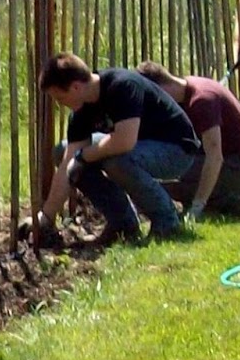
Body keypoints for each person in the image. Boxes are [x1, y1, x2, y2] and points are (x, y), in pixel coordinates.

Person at [33, 54, 202, 247]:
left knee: (117, 161)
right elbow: (67, 165)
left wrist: (83, 156)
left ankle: (167, 222)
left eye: (60, 97)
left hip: (177, 150)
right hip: (140, 147)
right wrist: (45, 217)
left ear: (76, 87)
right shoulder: (81, 112)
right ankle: (123, 223)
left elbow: (124, 142)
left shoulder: (122, 86)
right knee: (62, 151)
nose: (59, 103)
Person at [137, 61, 240, 220]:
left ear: (159, 88)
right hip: (225, 160)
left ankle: (237, 201)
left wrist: (198, 206)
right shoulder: (186, 88)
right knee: (169, 177)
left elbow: (215, 156)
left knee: (167, 186)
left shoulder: (201, 101)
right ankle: (218, 199)